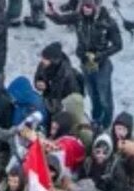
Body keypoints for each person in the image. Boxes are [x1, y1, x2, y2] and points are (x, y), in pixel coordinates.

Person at [46, 0, 121, 129]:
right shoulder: (78, 17)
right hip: (85, 64)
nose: (86, 9)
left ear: (96, 7)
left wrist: (100, 55)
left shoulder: (108, 22)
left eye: (89, 6)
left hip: (102, 66)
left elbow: (118, 45)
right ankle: (96, 120)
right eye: (84, 6)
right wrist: (52, 14)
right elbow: (61, 20)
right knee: (93, 95)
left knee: (104, 98)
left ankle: (106, 124)